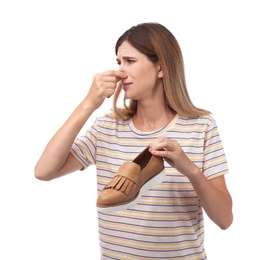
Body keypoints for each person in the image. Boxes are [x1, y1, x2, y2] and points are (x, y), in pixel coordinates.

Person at [35, 22, 233, 259]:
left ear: (160, 67)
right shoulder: (106, 128)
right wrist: (89, 103)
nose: (120, 72)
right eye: (118, 62)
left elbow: (224, 219)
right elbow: (44, 171)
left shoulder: (200, 127)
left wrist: (188, 168)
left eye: (130, 61)